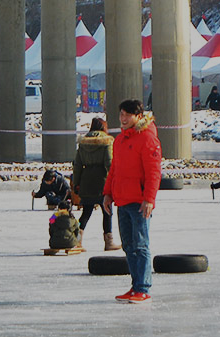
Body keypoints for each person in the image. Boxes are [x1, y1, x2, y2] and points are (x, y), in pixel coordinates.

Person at [103, 99, 161, 304]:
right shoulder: (119, 140)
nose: (123, 118)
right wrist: (108, 193)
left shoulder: (147, 139)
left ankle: (143, 288)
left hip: (139, 202)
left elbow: (154, 172)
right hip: (122, 201)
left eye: (128, 115)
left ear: (138, 116)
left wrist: (149, 199)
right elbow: (114, 170)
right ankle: (135, 285)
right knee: (128, 245)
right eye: (121, 114)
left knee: (141, 244)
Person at [72, 117, 119, 251]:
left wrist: (76, 183)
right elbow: (109, 163)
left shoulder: (83, 143)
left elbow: (77, 166)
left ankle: (77, 240)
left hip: (86, 181)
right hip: (102, 181)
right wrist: (114, 181)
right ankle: (109, 242)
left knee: (86, 213)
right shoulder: (106, 142)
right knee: (107, 212)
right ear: (103, 127)